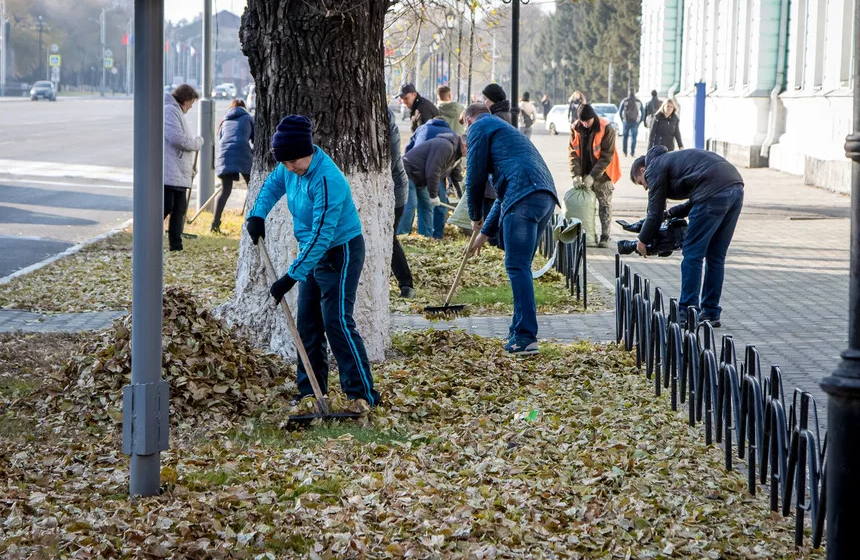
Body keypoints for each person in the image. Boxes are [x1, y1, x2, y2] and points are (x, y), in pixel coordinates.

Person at [245, 115, 380, 409]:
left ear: (307, 150)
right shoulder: (290, 168)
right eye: (285, 162)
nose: (289, 167)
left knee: (337, 322)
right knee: (307, 323)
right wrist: (257, 214)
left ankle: (362, 395)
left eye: (293, 161)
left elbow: (322, 235)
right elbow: (270, 186)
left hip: (340, 251)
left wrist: (291, 276)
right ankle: (311, 393)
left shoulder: (327, 179)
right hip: (311, 252)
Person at [462, 103, 560, 356]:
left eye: (464, 125)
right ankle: (518, 330)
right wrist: (482, 235)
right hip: (543, 196)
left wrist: (474, 215)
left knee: (516, 266)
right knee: (521, 266)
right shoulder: (504, 131)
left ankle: (526, 337)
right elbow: (504, 195)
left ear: (469, 120)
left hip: (525, 199)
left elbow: (474, 177)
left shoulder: (479, 128)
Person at [630, 146, 744, 328]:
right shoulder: (674, 160)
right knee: (716, 257)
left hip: (714, 192)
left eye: (641, 182)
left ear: (643, 170)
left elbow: (654, 213)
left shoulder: (654, 167)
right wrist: (671, 214)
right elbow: (697, 198)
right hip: (735, 188)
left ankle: (687, 312)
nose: (646, 187)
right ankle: (711, 313)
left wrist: (643, 240)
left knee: (692, 254)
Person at [569, 103, 622, 248]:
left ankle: (605, 236)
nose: (586, 124)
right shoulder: (575, 128)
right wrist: (576, 175)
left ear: (593, 117)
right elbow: (573, 153)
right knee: (587, 205)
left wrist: (592, 176)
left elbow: (606, 156)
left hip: (605, 173)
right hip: (585, 171)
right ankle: (589, 236)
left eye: (588, 121)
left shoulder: (606, 128)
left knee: (604, 204)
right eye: (583, 121)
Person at [397, 117, 457, 237]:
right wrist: (455, 189)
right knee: (426, 204)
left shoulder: (422, 128)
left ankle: (407, 236)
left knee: (417, 204)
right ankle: (426, 236)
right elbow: (451, 168)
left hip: (420, 173)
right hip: (420, 173)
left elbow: (409, 148)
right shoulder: (452, 135)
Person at [163, 84, 204, 251]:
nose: (191, 106)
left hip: (178, 170)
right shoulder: (170, 110)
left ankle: (176, 245)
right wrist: (196, 143)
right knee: (167, 207)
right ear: (185, 99)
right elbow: (177, 138)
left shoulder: (176, 111)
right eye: (192, 102)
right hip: (170, 169)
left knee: (179, 209)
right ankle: (148, 237)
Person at [212, 99, 254, 233]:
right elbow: (256, 139)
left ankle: (215, 225)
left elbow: (221, 140)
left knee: (225, 191)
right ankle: (253, 222)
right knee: (253, 189)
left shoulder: (225, 120)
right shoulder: (248, 118)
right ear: (244, 108)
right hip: (242, 151)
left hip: (225, 154)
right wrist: (252, 153)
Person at [388, 109, 415, 298]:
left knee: (389, 239)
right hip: (396, 188)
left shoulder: (388, 128)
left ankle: (406, 284)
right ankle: (405, 284)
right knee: (389, 239)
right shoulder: (389, 124)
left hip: (395, 190)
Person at [618, 91, 644, 157]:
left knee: (625, 137)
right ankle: (632, 153)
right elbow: (643, 112)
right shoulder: (639, 101)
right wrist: (640, 121)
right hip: (635, 122)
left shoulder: (624, 101)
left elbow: (620, 111)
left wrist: (622, 119)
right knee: (633, 137)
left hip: (626, 121)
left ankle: (625, 152)